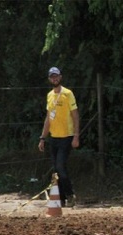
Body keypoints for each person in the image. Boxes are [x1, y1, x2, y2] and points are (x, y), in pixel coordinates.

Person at [38, 67, 80, 207]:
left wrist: (76, 136)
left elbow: (75, 115)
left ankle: (70, 194)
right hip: (53, 138)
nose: (54, 79)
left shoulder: (68, 94)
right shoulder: (49, 95)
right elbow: (48, 119)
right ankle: (60, 199)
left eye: (56, 76)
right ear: (49, 79)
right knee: (56, 169)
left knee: (60, 167)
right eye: (52, 77)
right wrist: (42, 138)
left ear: (60, 77)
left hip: (66, 136)